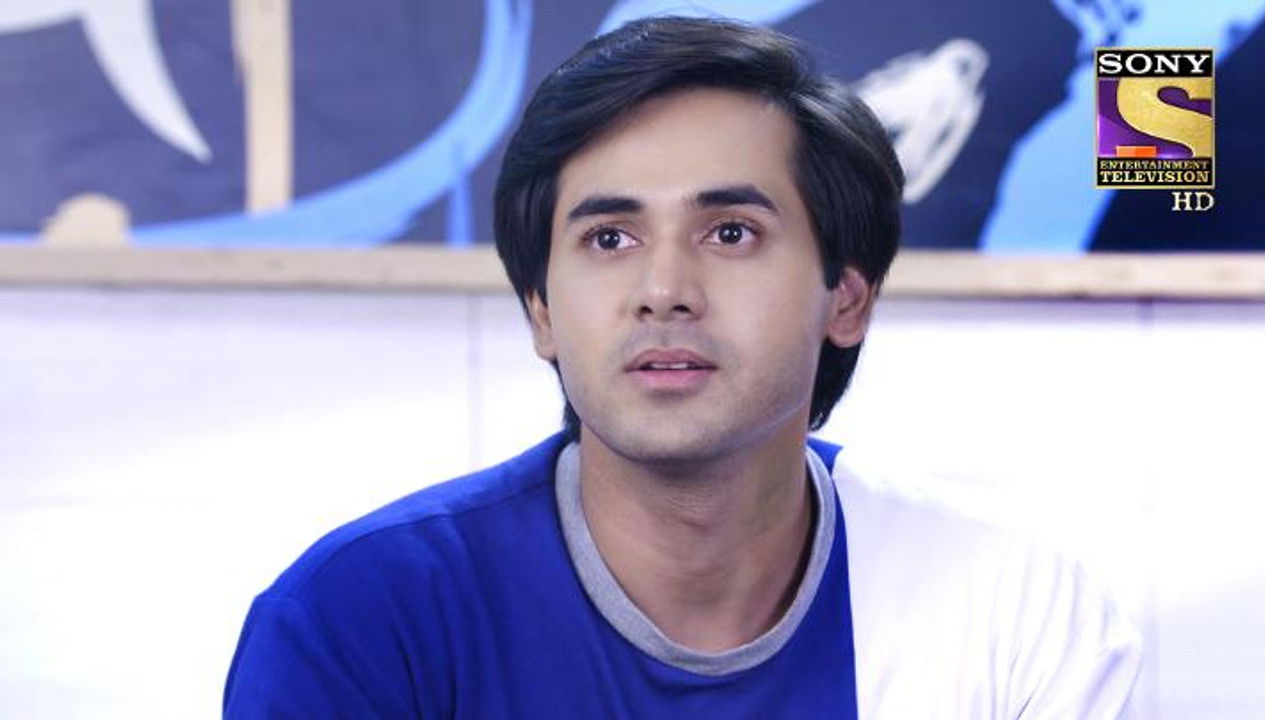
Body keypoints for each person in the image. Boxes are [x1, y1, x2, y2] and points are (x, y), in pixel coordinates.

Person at [224, 17, 1141, 718]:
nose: (663, 292)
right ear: (541, 309)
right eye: (610, 238)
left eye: (730, 233)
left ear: (847, 299)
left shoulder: (1014, 609)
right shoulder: (360, 616)